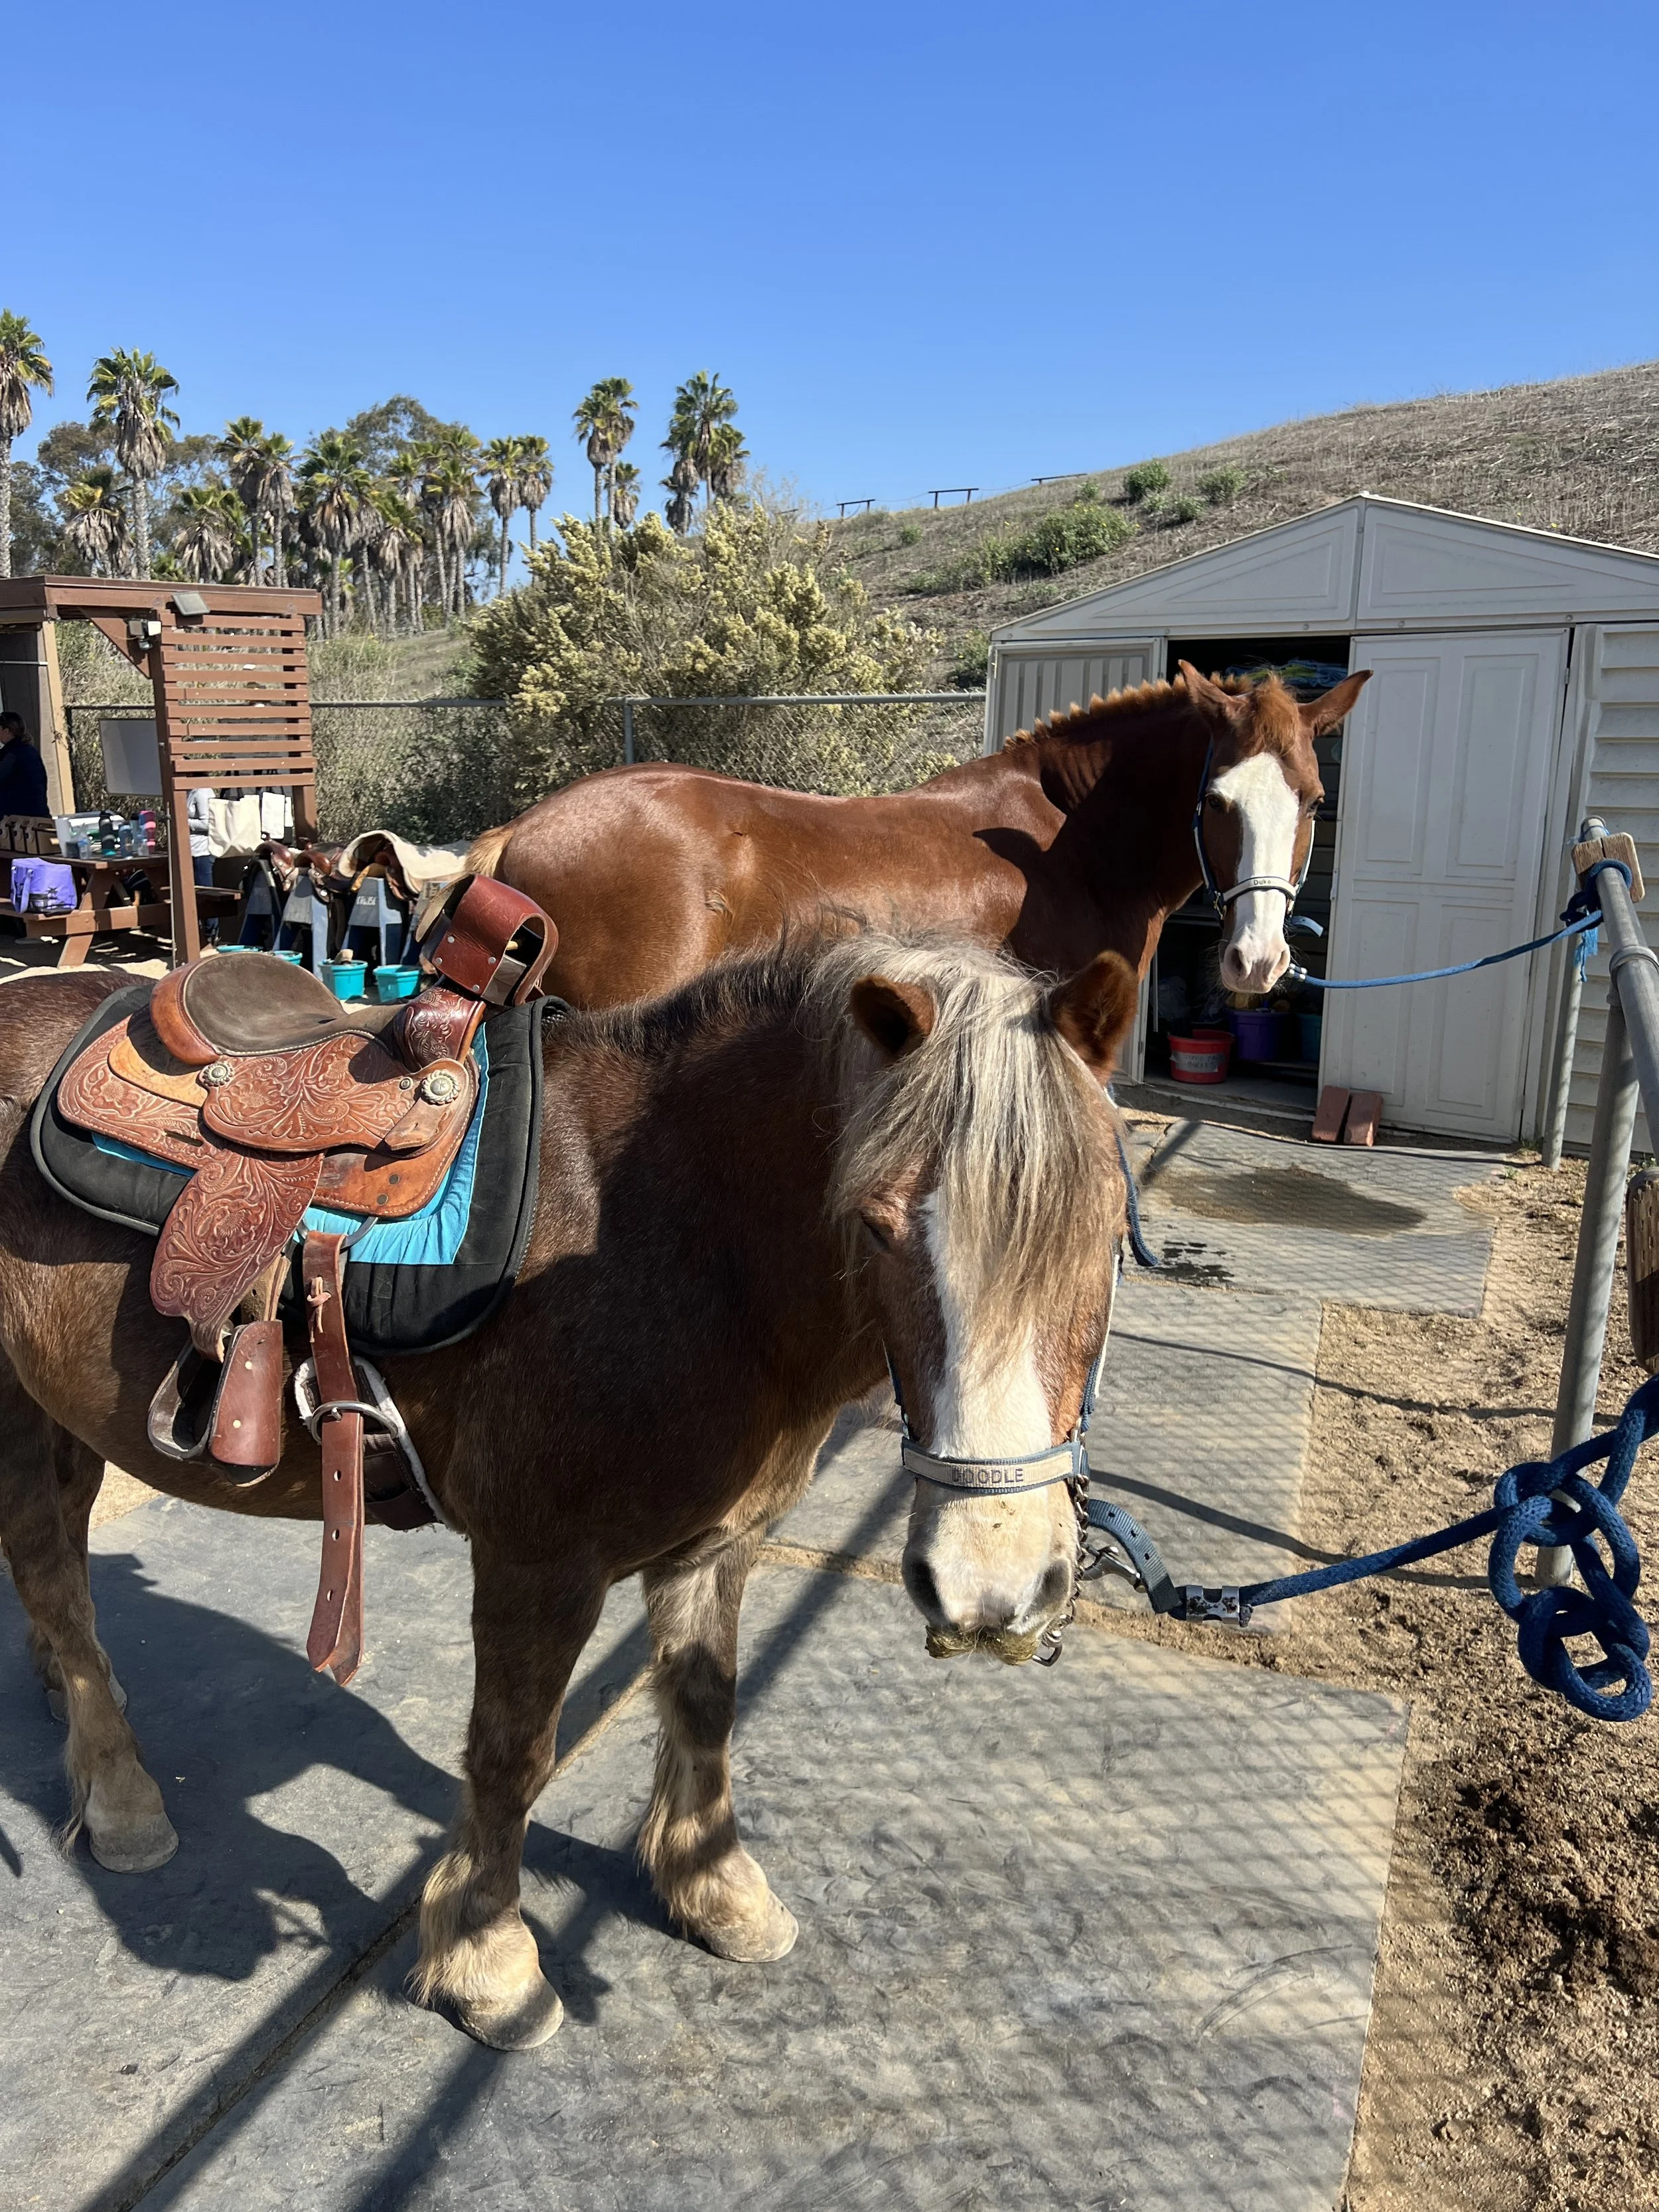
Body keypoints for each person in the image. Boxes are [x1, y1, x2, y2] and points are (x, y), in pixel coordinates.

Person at [0, 711, 48, 820]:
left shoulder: (13, 754)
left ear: (7, 731)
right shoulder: (29, 751)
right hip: (37, 817)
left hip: (18, 821)